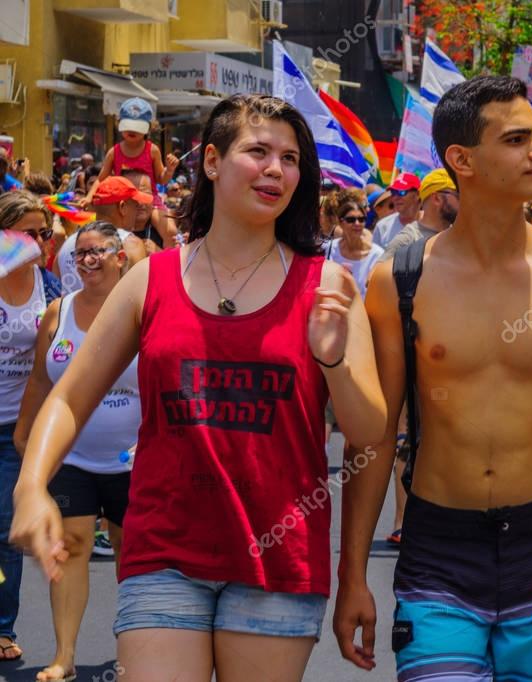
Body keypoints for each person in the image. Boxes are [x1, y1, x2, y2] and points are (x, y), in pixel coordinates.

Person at [10, 94, 386, 681]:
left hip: (278, 562)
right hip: (163, 550)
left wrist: (333, 361)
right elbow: (68, 396)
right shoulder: (151, 279)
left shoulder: (327, 285)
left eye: (290, 159)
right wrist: (32, 486)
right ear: (211, 161)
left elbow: (368, 434)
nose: (276, 169)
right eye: (257, 151)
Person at [335, 76, 532, 680]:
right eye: (517, 138)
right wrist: (353, 578)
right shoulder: (401, 280)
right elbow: (373, 437)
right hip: (437, 551)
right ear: (461, 160)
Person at [14, 222, 139, 682]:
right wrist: (26, 435)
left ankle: (133, 651)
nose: (86, 261)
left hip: (134, 462)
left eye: (97, 252)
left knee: (132, 554)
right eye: (79, 254)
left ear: (121, 257)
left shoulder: (145, 312)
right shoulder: (58, 312)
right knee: (70, 548)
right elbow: (41, 382)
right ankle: (64, 655)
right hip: (72, 458)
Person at [0, 190, 58, 663]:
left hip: (16, 429)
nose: (39, 241)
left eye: (44, 232)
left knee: (5, 528)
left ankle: (1, 626)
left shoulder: (49, 286)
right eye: (28, 232)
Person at [56, 177, 147, 294]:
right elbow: (141, 296)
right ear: (122, 207)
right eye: (135, 205)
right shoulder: (131, 244)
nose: (137, 212)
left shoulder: (66, 246)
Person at [83, 98, 179, 208]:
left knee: (163, 223)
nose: (132, 131)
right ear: (119, 124)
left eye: (138, 127)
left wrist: (170, 170)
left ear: (148, 128)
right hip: (123, 203)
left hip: (149, 203)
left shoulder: (153, 150)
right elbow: (100, 180)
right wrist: (89, 197)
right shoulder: (114, 152)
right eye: (128, 126)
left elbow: (161, 180)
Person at [382, 168, 459, 259]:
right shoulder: (407, 241)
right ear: (437, 199)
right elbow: (377, 272)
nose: (463, 201)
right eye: (458, 195)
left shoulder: (458, 236)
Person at [323, 194, 384, 297]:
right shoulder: (327, 248)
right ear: (340, 222)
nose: (357, 223)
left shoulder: (377, 255)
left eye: (361, 219)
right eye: (351, 220)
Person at [371, 173, 420, 249]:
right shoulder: (382, 227)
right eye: (393, 193)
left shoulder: (431, 224)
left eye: (401, 192)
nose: (396, 198)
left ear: (417, 195)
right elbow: (376, 259)